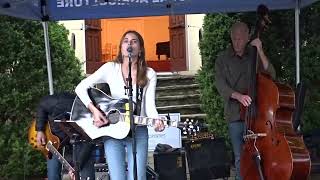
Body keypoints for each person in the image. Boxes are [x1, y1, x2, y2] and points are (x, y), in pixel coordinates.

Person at [75, 30, 165, 180]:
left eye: (134, 41)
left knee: (138, 177)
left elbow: (149, 105)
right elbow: (80, 88)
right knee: (117, 177)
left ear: (140, 48)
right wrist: (95, 110)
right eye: (125, 41)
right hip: (112, 130)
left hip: (138, 130)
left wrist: (156, 120)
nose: (129, 43)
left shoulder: (149, 74)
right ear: (121, 47)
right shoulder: (110, 68)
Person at [214, 22, 276, 180]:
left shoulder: (254, 55)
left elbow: (271, 75)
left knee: (262, 155)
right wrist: (238, 96)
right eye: (234, 39)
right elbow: (220, 85)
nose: (237, 42)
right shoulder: (222, 59)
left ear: (248, 38)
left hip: (258, 115)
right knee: (240, 156)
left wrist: (260, 51)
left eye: (240, 39)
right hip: (235, 115)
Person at [35, 92, 95, 180]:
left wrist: (77, 168)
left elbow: (88, 144)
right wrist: (40, 130)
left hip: (78, 142)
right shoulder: (59, 101)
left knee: (85, 175)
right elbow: (42, 105)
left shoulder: (91, 117)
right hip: (53, 140)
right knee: (53, 175)